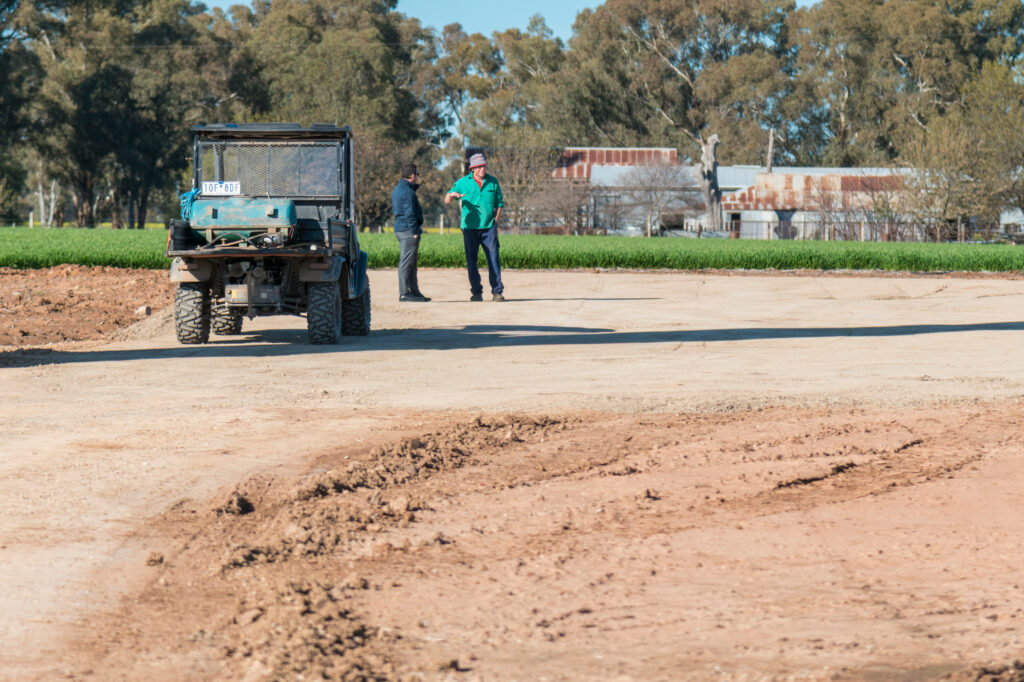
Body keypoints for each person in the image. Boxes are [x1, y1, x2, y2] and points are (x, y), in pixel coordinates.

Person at [445, 153, 506, 302]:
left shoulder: (493, 182)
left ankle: (497, 292)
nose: (482, 169)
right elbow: (447, 199)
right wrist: (452, 196)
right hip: (469, 227)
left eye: (483, 166)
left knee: (493, 258)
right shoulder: (462, 182)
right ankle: (476, 292)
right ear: (472, 169)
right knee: (472, 260)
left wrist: (495, 221)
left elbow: (499, 204)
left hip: (489, 227)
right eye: (478, 167)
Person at [391, 163, 429, 302]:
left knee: (411, 262)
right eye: (417, 174)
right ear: (412, 176)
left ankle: (414, 292)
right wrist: (414, 230)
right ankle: (404, 293)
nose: (417, 177)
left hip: (403, 228)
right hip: (407, 230)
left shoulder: (401, 188)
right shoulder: (406, 191)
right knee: (406, 263)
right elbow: (409, 212)